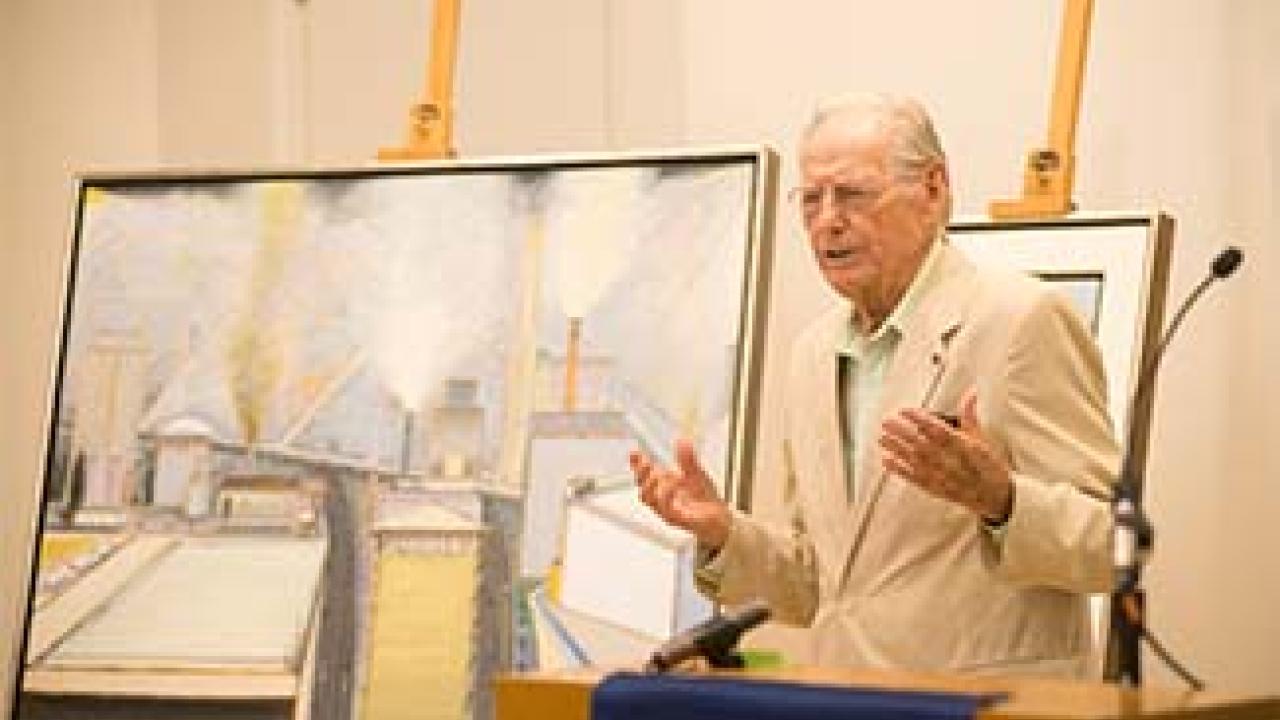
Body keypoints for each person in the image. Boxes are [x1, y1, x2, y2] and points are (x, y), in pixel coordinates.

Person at [630, 93, 1117, 677]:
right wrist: (723, 532)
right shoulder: (812, 354)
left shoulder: (1019, 319)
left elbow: (1116, 545)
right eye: (811, 200)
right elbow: (823, 581)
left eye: (853, 195)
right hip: (850, 700)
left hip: (984, 708)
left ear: (933, 190)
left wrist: (1003, 501)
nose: (828, 221)